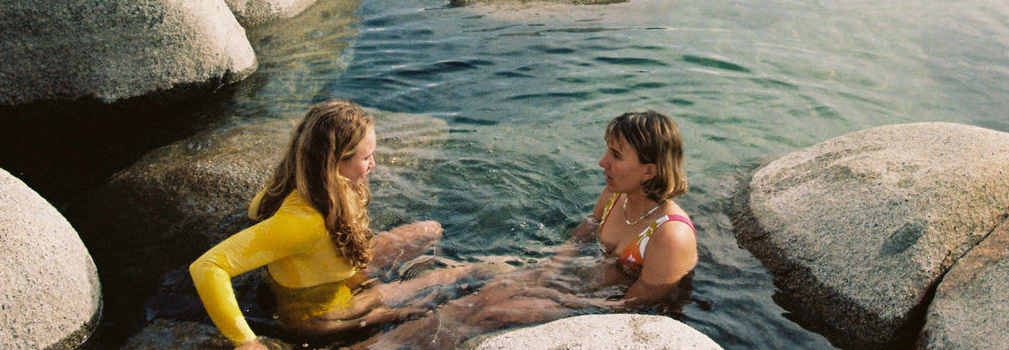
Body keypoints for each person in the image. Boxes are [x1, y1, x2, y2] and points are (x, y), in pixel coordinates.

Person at [352, 110, 698, 350]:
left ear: (649, 171)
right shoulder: (615, 195)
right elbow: (583, 234)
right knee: (473, 275)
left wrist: (555, 301)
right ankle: (360, 323)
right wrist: (550, 269)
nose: (602, 162)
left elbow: (633, 308)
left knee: (490, 310)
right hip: (575, 281)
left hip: (592, 306)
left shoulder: (669, 235)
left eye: (616, 154)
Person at [190, 100, 487, 349]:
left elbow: (257, 214)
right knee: (443, 293)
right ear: (334, 162)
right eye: (366, 157)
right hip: (321, 314)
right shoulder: (301, 223)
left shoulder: (301, 181)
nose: (374, 164)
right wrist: (246, 342)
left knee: (429, 232)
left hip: (336, 276)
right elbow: (208, 267)